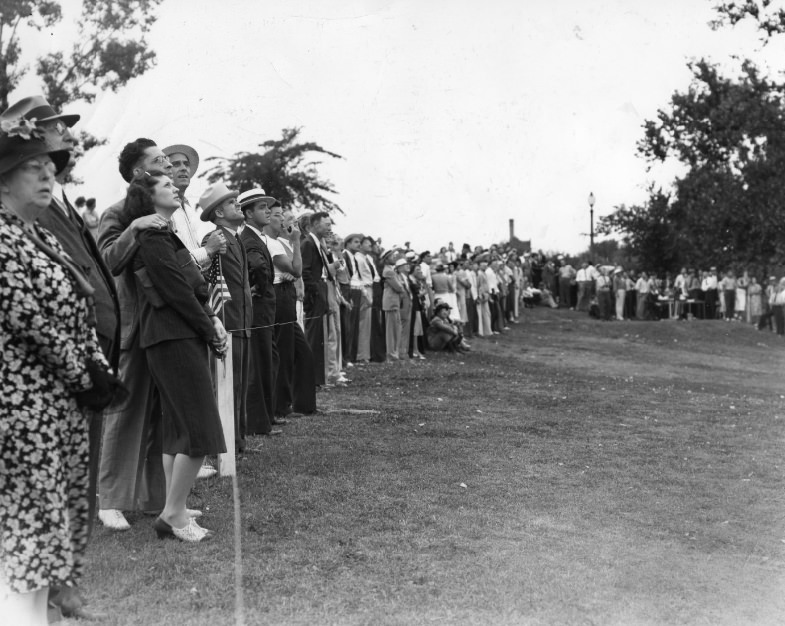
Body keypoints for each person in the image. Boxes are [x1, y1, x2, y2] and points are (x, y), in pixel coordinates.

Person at [0, 123, 113, 624]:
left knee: (60, 517)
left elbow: (80, 302)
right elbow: (27, 320)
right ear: (3, 180)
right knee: (29, 527)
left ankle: (46, 609)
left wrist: (100, 368)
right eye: (33, 168)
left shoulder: (42, 233)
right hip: (20, 407)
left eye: (51, 169)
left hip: (60, 405)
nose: (48, 175)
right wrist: (84, 373)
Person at [123, 170, 228, 542]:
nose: (175, 188)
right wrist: (209, 325)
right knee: (198, 429)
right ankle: (172, 515)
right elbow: (176, 291)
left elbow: (185, 286)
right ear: (150, 200)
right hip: (173, 335)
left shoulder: (162, 234)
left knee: (178, 429)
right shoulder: (152, 236)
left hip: (171, 335)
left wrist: (210, 319)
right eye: (166, 185)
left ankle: (176, 508)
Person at [96, 138, 170, 531]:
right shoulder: (117, 213)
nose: (169, 165)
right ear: (139, 172)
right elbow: (107, 259)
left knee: (160, 413)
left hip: (163, 325)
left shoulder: (165, 210)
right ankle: (109, 499)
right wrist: (137, 226)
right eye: (159, 161)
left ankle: (153, 499)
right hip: (132, 325)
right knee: (125, 414)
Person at [199, 182, 253, 452]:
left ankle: (238, 441)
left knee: (240, 384)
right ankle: (226, 446)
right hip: (227, 320)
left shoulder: (235, 238)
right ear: (219, 213)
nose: (238, 205)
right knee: (226, 385)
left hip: (243, 321)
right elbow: (206, 280)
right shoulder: (216, 239)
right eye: (232, 203)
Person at [239, 188, 282, 436]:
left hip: (264, 307)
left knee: (268, 359)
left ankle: (266, 416)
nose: (267, 211)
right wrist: (260, 287)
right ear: (248, 213)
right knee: (260, 361)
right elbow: (257, 266)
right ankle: (258, 422)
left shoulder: (256, 236)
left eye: (268, 207)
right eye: (262, 208)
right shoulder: (250, 238)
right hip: (260, 307)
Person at [301, 212, 333, 382]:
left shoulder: (318, 243)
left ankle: (318, 378)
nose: (329, 228)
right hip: (315, 292)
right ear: (314, 224)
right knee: (313, 336)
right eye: (326, 224)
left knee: (319, 335)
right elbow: (305, 271)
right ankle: (311, 378)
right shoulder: (307, 243)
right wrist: (314, 291)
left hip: (321, 288)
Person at [382, 249, 405, 360]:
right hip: (391, 303)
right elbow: (399, 287)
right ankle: (391, 354)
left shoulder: (391, 271)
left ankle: (394, 352)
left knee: (395, 328)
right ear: (386, 259)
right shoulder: (388, 271)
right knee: (391, 330)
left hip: (394, 302)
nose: (394, 258)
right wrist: (402, 287)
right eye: (392, 256)